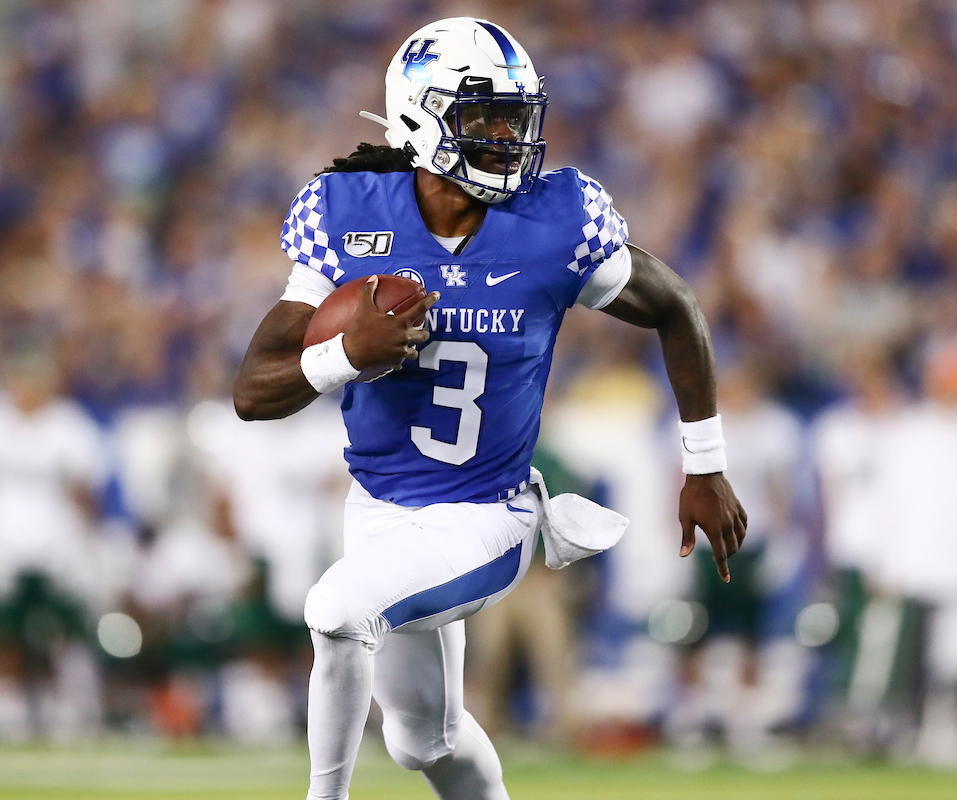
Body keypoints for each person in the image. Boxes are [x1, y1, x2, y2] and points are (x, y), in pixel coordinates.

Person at [231, 17, 746, 800]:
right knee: (421, 740)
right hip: (378, 507)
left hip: (485, 513)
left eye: (515, 116)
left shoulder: (554, 220)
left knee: (335, 609)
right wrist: (344, 354)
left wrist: (704, 465)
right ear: (418, 116)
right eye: (485, 119)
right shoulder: (350, 215)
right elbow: (253, 390)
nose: (508, 137)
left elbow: (677, 307)